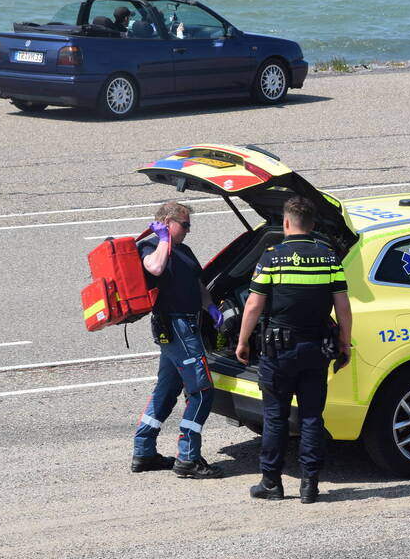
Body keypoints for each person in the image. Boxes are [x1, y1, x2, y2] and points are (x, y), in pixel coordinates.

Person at [235, 196, 352, 504]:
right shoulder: (328, 258)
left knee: (275, 417)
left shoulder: (272, 257)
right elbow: (343, 308)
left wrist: (243, 341)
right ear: (312, 225)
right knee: (312, 417)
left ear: (286, 223)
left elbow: (253, 305)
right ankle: (309, 485)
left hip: (278, 351)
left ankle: (271, 483)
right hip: (316, 349)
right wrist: (345, 343)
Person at [131, 201, 225, 479]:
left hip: (189, 324)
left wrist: (211, 308)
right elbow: (156, 269)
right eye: (184, 225)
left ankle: (144, 451)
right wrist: (162, 239)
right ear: (168, 222)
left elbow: (198, 285)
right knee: (202, 391)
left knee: (167, 388)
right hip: (176, 326)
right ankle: (188, 458)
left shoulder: (184, 251)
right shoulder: (150, 247)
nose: (188, 230)